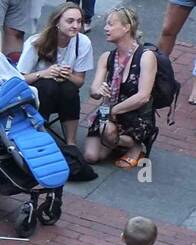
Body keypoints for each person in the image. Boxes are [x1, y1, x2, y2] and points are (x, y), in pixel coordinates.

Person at [84, 7, 157, 168]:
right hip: (109, 114)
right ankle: (115, 143)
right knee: (91, 156)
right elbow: (94, 92)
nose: (105, 28)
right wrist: (98, 90)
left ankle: (136, 145)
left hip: (135, 117)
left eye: (110, 24)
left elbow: (143, 96)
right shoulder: (106, 57)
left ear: (126, 27)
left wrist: (113, 111)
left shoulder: (146, 56)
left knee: (108, 133)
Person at [17, 3, 94, 143]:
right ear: (57, 22)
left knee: (70, 88)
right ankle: (38, 137)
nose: (76, 26)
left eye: (79, 21)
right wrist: (43, 73)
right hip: (35, 95)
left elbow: (80, 82)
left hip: (63, 97)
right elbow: (18, 80)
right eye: (70, 21)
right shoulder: (36, 42)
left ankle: (71, 143)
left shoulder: (83, 43)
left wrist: (68, 75)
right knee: (48, 85)